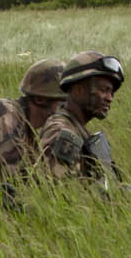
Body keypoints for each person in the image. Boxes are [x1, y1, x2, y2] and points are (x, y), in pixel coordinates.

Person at [37, 50, 125, 188]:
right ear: (78, 90)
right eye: (103, 90)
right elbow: (60, 193)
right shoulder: (62, 131)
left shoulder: (77, 130)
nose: (110, 98)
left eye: (111, 92)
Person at [0, 58, 67, 175]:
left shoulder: (29, 133)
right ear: (40, 99)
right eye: (62, 103)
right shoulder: (5, 112)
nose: (66, 109)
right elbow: (7, 173)